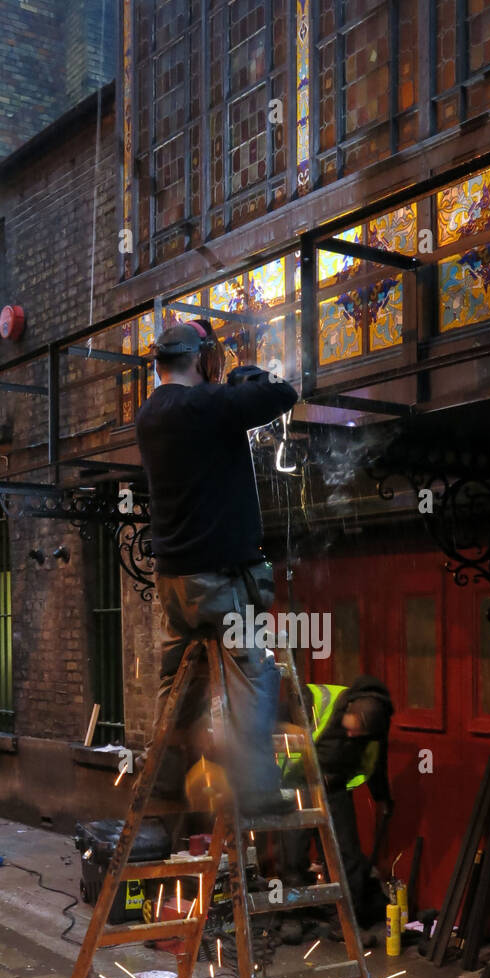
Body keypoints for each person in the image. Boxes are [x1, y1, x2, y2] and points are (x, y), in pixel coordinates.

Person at [136, 319, 298, 814]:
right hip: (221, 581)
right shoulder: (205, 405)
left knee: (175, 686)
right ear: (202, 359)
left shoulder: (149, 414)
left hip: (175, 582)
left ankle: (161, 776)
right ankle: (256, 790)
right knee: (252, 674)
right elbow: (282, 393)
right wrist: (245, 374)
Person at [281, 676, 395, 943]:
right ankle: (291, 916)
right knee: (293, 855)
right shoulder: (315, 700)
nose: (353, 736)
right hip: (299, 784)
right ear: (350, 709)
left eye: (360, 735)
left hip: (335, 789)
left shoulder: (376, 725)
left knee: (346, 856)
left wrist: (382, 797)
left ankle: (344, 919)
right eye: (352, 730)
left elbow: (377, 763)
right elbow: (277, 732)